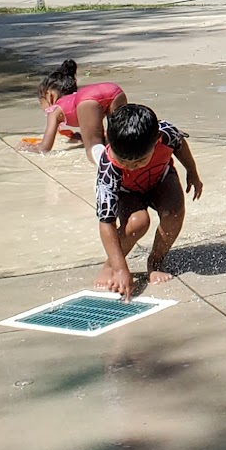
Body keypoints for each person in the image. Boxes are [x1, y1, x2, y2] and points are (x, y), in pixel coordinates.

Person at [92, 102, 202, 300]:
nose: (132, 167)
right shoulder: (108, 168)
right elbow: (106, 222)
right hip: (127, 191)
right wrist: (120, 269)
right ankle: (111, 265)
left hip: (160, 178)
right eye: (124, 162)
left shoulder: (166, 134)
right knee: (138, 223)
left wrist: (192, 172)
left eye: (140, 161)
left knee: (174, 214)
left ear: (157, 140)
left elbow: (180, 145)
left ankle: (156, 262)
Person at [35, 59, 128, 160]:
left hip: (88, 99)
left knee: (93, 147)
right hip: (114, 90)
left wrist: (29, 148)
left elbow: (45, 147)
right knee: (117, 139)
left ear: (50, 96)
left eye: (41, 102)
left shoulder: (54, 111)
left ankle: (107, 166)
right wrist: (81, 138)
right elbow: (96, 128)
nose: (43, 107)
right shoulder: (75, 99)